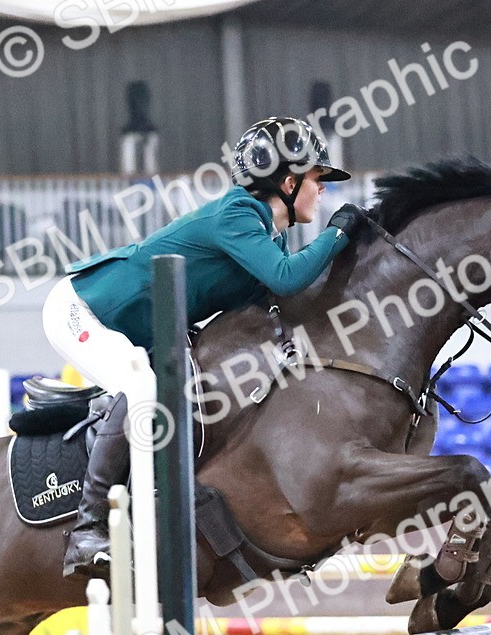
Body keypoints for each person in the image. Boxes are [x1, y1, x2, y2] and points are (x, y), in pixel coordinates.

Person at [42, 116, 365, 580]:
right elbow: (288, 278)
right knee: (141, 387)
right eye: (318, 180)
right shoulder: (237, 216)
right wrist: (339, 232)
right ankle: (88, 528)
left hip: (131, 326)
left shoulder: (266, 234)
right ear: (290, 183)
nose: (323, 192)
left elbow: (279, 303)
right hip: (80, 311)